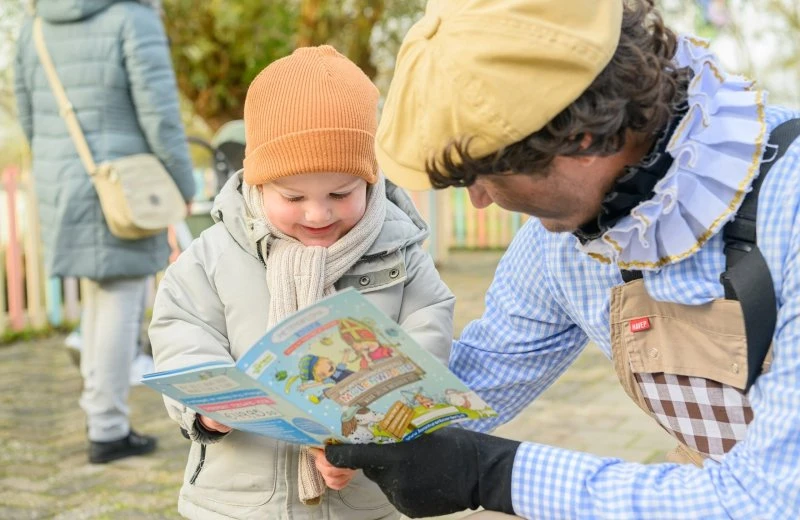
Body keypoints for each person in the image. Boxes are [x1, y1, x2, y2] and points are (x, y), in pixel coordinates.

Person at [324, 0, 800, 518]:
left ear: (579, 137)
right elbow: (482, 376)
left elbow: (772, 498)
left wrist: (495, 474)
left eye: (482, 174)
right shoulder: (559, 245)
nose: (479, 200)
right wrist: (346, 414)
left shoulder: (789, 203)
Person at [148, 45, 454, 519]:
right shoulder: (214, 253)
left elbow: (426, 333)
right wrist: (208, 405)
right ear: (257, 182)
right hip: (240, 498)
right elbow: (181, 328)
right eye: (293, 196)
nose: (318, 213)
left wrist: (368, 436)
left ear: (369, 181)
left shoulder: (399, 250)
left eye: (340, 192)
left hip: (361, 496)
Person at [13, 0, 195, 464]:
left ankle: (99, 411)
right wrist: (181, 182)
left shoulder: (37, 24)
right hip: (123, 183)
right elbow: (159, 112)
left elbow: (28, 112)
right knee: (122, 295)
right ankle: (108, 428)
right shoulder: (132, 19)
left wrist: (58, 170)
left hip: (63, 178)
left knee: (99, 296)